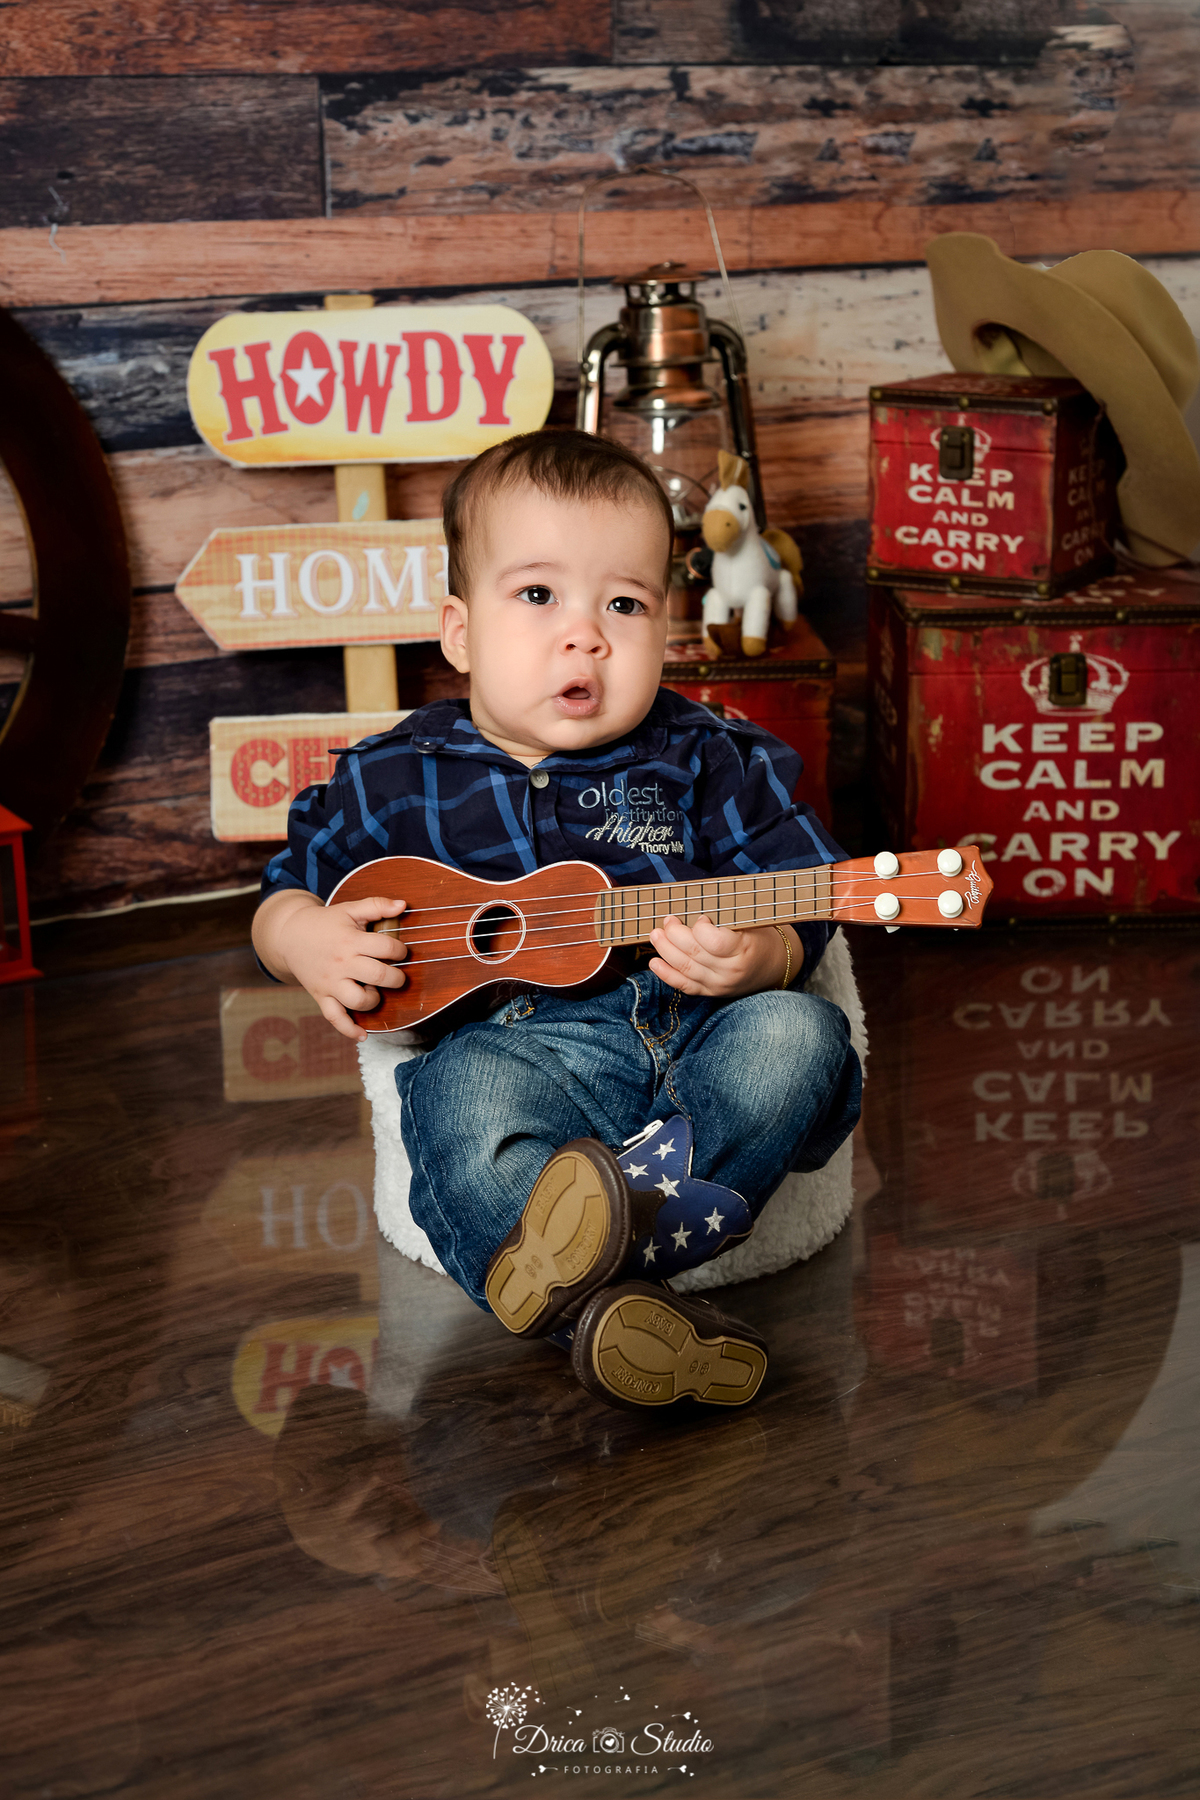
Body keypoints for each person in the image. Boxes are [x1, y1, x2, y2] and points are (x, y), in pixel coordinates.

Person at [253, 428, 862, 1411]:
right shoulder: (395, 775)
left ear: (669, 627)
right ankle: (623, 1318)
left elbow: (808, 878)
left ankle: (606, 1266)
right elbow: (287, 885)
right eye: (538, 596)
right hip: (518, 1052)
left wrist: (762, 958)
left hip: (691, 1032)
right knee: (456, 1103)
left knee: (802, 1034)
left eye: (624, 603)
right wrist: (300, 937)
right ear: (459, 631)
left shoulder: (708, 754)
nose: (586, 634)